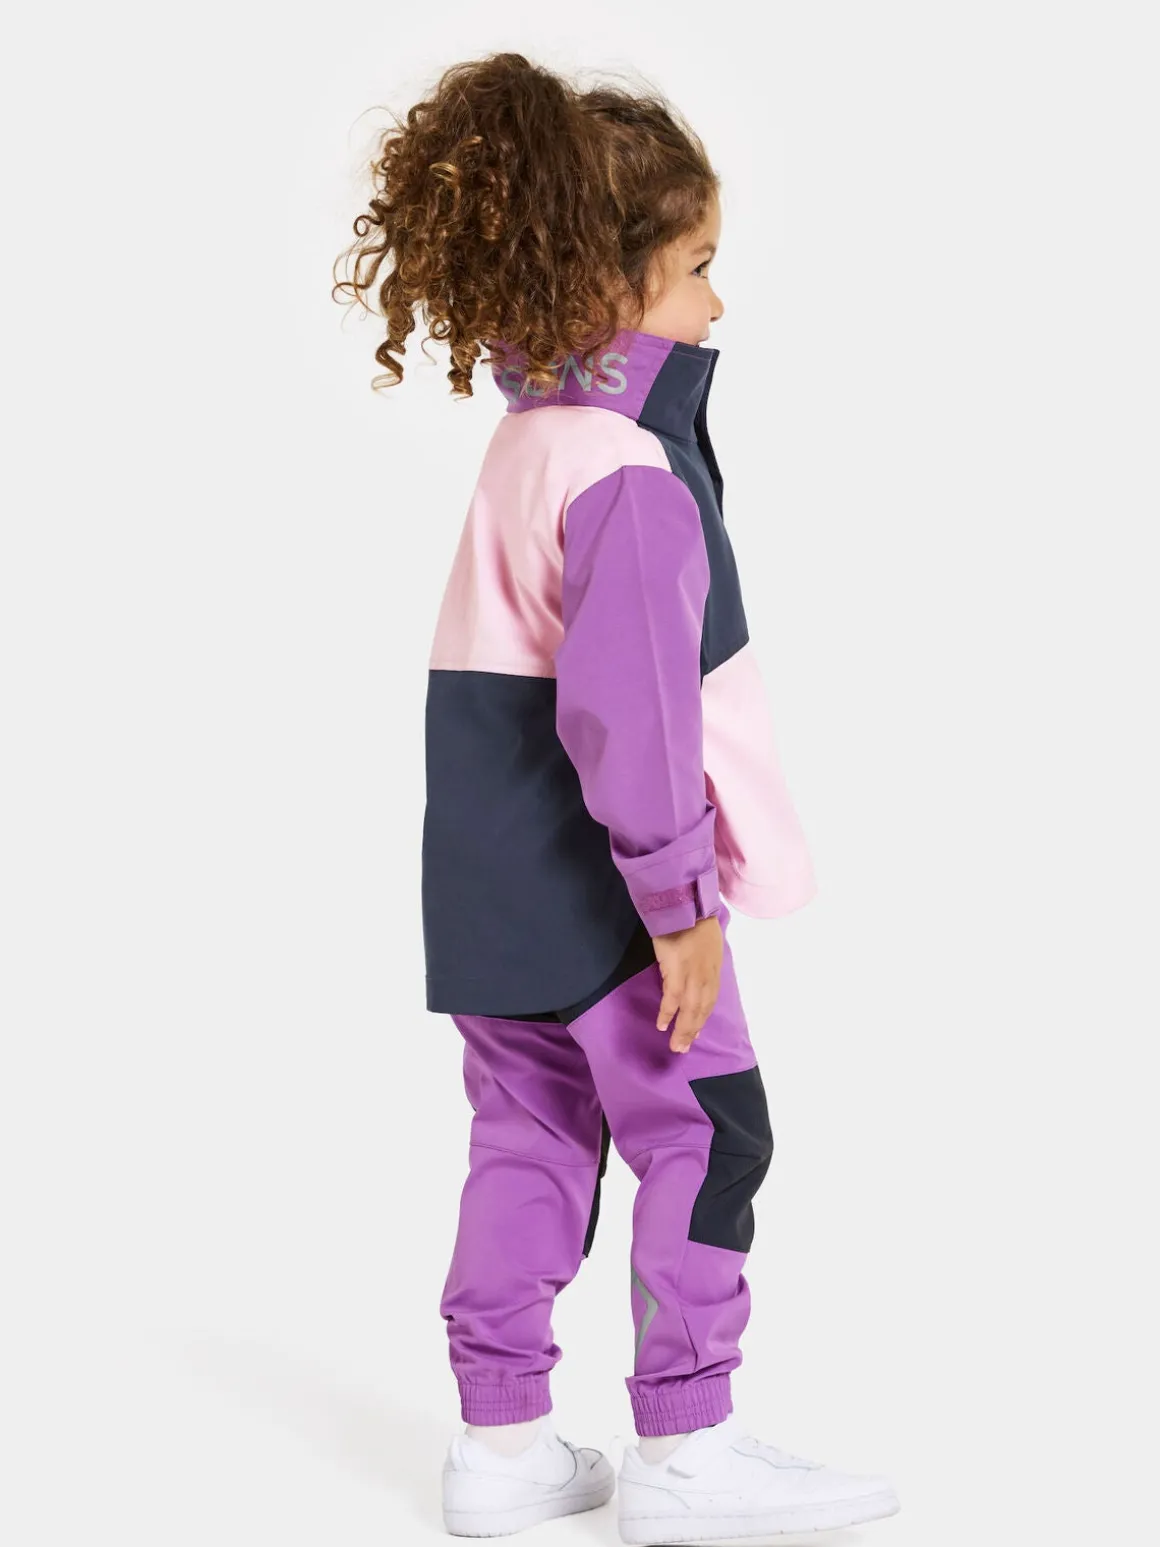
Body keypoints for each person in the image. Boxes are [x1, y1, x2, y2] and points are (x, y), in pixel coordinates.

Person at [334, 50, 899, 1544]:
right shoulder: (626, 468)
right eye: (698, 267)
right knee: (709, 1130)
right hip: (609, 893)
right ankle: (687, 1451)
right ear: (608, 281)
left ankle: (502, 1445)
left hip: (485, 887)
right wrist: (679, 902)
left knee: (526, 1143)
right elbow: (629, 711)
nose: (716, 304)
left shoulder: (524, 445)